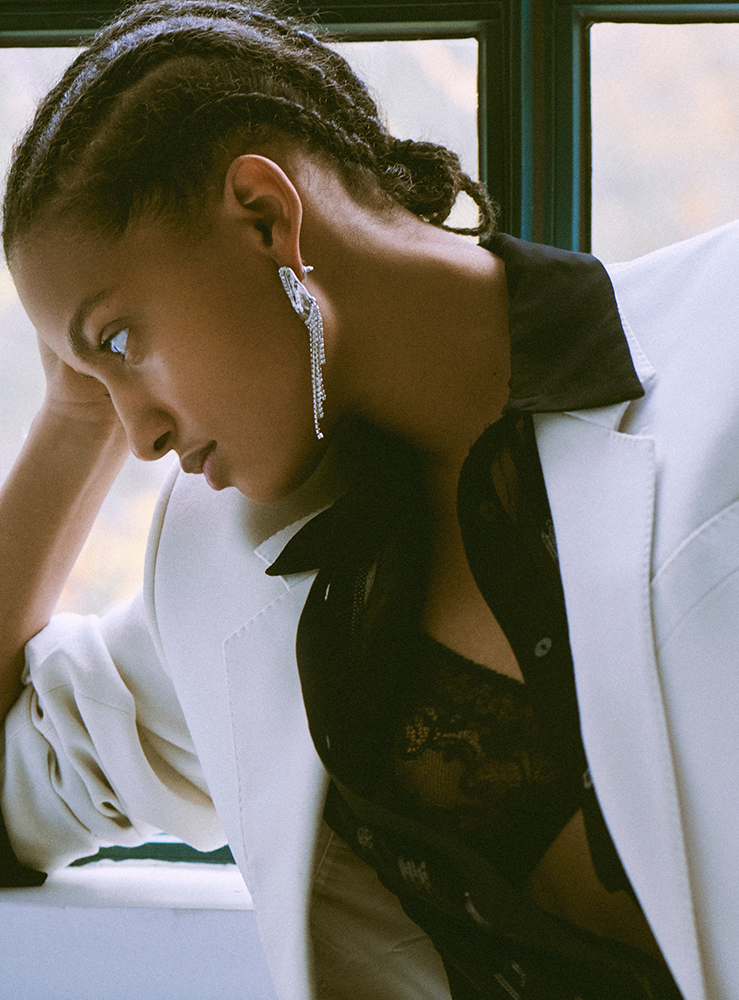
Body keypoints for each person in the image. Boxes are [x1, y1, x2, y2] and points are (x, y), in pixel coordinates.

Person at [0, 1, 737, 997]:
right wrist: (71, 417)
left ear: (264, 217)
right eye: (94, 379)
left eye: (121, 340)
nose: (142, 438)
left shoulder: (721, 337)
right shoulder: (220, 585)